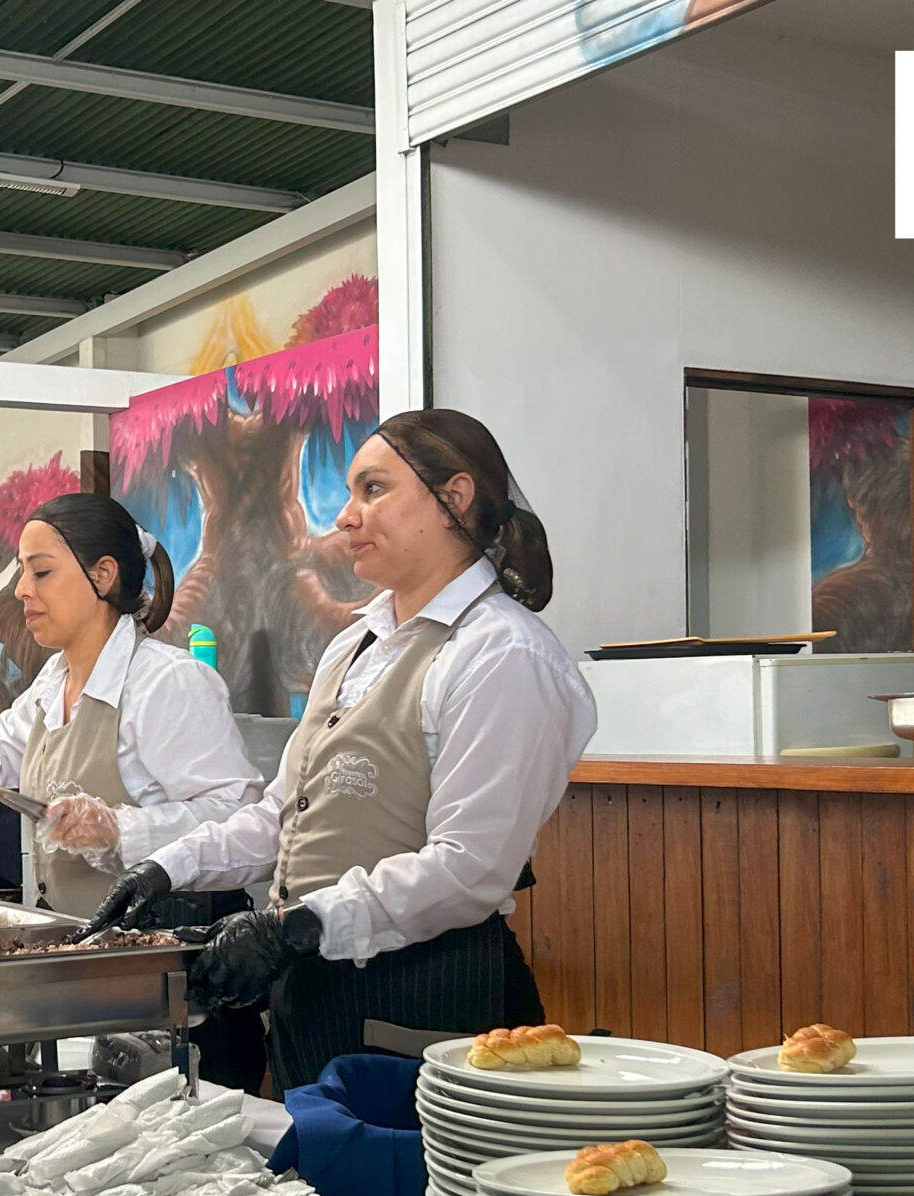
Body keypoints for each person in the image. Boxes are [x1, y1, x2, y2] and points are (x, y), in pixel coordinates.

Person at [82, 410, 597, 1091]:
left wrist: (296, 926)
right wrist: (168, 867)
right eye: (352, 492)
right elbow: (281, 816)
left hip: (424, 1002)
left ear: (455, 498)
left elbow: (468, 869)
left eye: (373, 490)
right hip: (314, 991)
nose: (346, 517)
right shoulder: (355, 644)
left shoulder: (503, 654)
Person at [0, 493, 268, 1085]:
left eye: (42, 572)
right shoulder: (56, 679)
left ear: (103, 575)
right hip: (100, 973)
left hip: (178, 976)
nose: (21, 590)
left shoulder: (168, 682)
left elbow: (237, 814)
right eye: (22, 572)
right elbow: (4, 749)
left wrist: (120, 829)